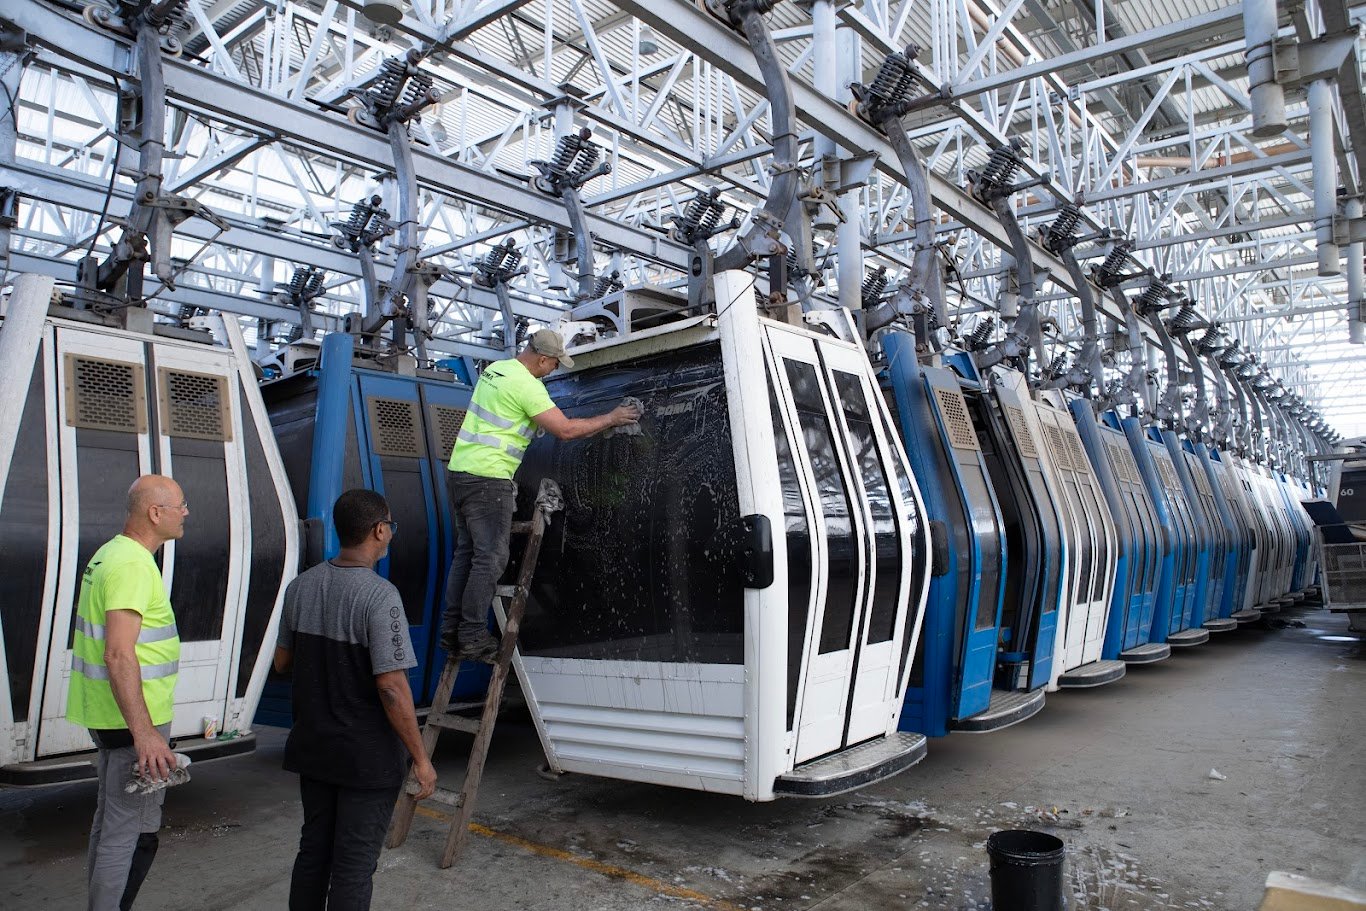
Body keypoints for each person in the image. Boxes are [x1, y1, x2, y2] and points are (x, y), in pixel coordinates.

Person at [273, 488, 438, 911]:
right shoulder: (381, 597)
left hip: (314, 749)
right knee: (353, 864)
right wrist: (420, 757)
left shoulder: (300, 588)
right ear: (379, 530)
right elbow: (391, 687)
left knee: (314, 853)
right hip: (365, 758)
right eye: (390, 527)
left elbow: (282, 663)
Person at [440, 328, 642, 661]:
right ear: (543, 358)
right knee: (490, 558)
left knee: (467, 554)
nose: (554, 370)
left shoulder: (495, 371)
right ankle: (473, 635)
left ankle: (452, 630)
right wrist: (611, 418)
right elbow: (564, 430)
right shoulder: (527, 386)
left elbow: (507, 418)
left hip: (460, 472)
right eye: (554, 364)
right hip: (489, 478)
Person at [67, 474, 188, 911]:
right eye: (181, 505)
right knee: (132, 831)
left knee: (109, 820)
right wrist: (146, 735)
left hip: (109, 716)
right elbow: (119, 654)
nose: (186, 512)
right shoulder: (134, 565)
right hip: (132, 722)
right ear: (156, 513)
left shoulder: (109, 555)